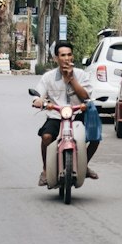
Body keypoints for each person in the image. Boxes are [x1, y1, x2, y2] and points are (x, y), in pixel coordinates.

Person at [33, 42, 101, 185]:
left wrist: (72, 79)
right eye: (63, 55)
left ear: (73, 57)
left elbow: (85, 96)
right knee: (46, 137)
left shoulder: (82, 75)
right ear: (56, 58)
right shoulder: (48, 77)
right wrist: (39, 101)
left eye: (69, 54)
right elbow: (39, 94)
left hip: (77, 115)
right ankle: (45, 170)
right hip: (57, 115)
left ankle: (83, 165)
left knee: (94, 137)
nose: (66, 58)